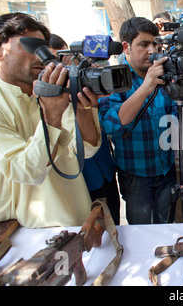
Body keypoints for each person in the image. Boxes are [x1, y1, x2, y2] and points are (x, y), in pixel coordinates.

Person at [0, 13, 101, 228]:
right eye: (32, 46)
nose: (44, 55)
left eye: (45, 47)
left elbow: (87, 150)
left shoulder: (52, 93)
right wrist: (51, 116)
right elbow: (26, 171)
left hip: (76, 218)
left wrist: (82, 109)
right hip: (21, 234)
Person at [98, 17, 183, 225]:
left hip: (167, 171)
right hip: (136, 176)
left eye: (155, 43)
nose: (152, 50)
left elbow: (182, 126)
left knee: (164, 227)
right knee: (141, 233)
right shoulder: (113, 78)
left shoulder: (166, 74)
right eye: (144, 44)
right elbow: (112, 125)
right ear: (126, 47)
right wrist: (146, 87)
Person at [49, 33, 121, 224]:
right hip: (82, 183)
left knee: (114, 227)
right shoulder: (45, 104)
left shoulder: (85, 83)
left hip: (106, 172)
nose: (63, 71)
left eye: (68, 62)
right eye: (55, 65)